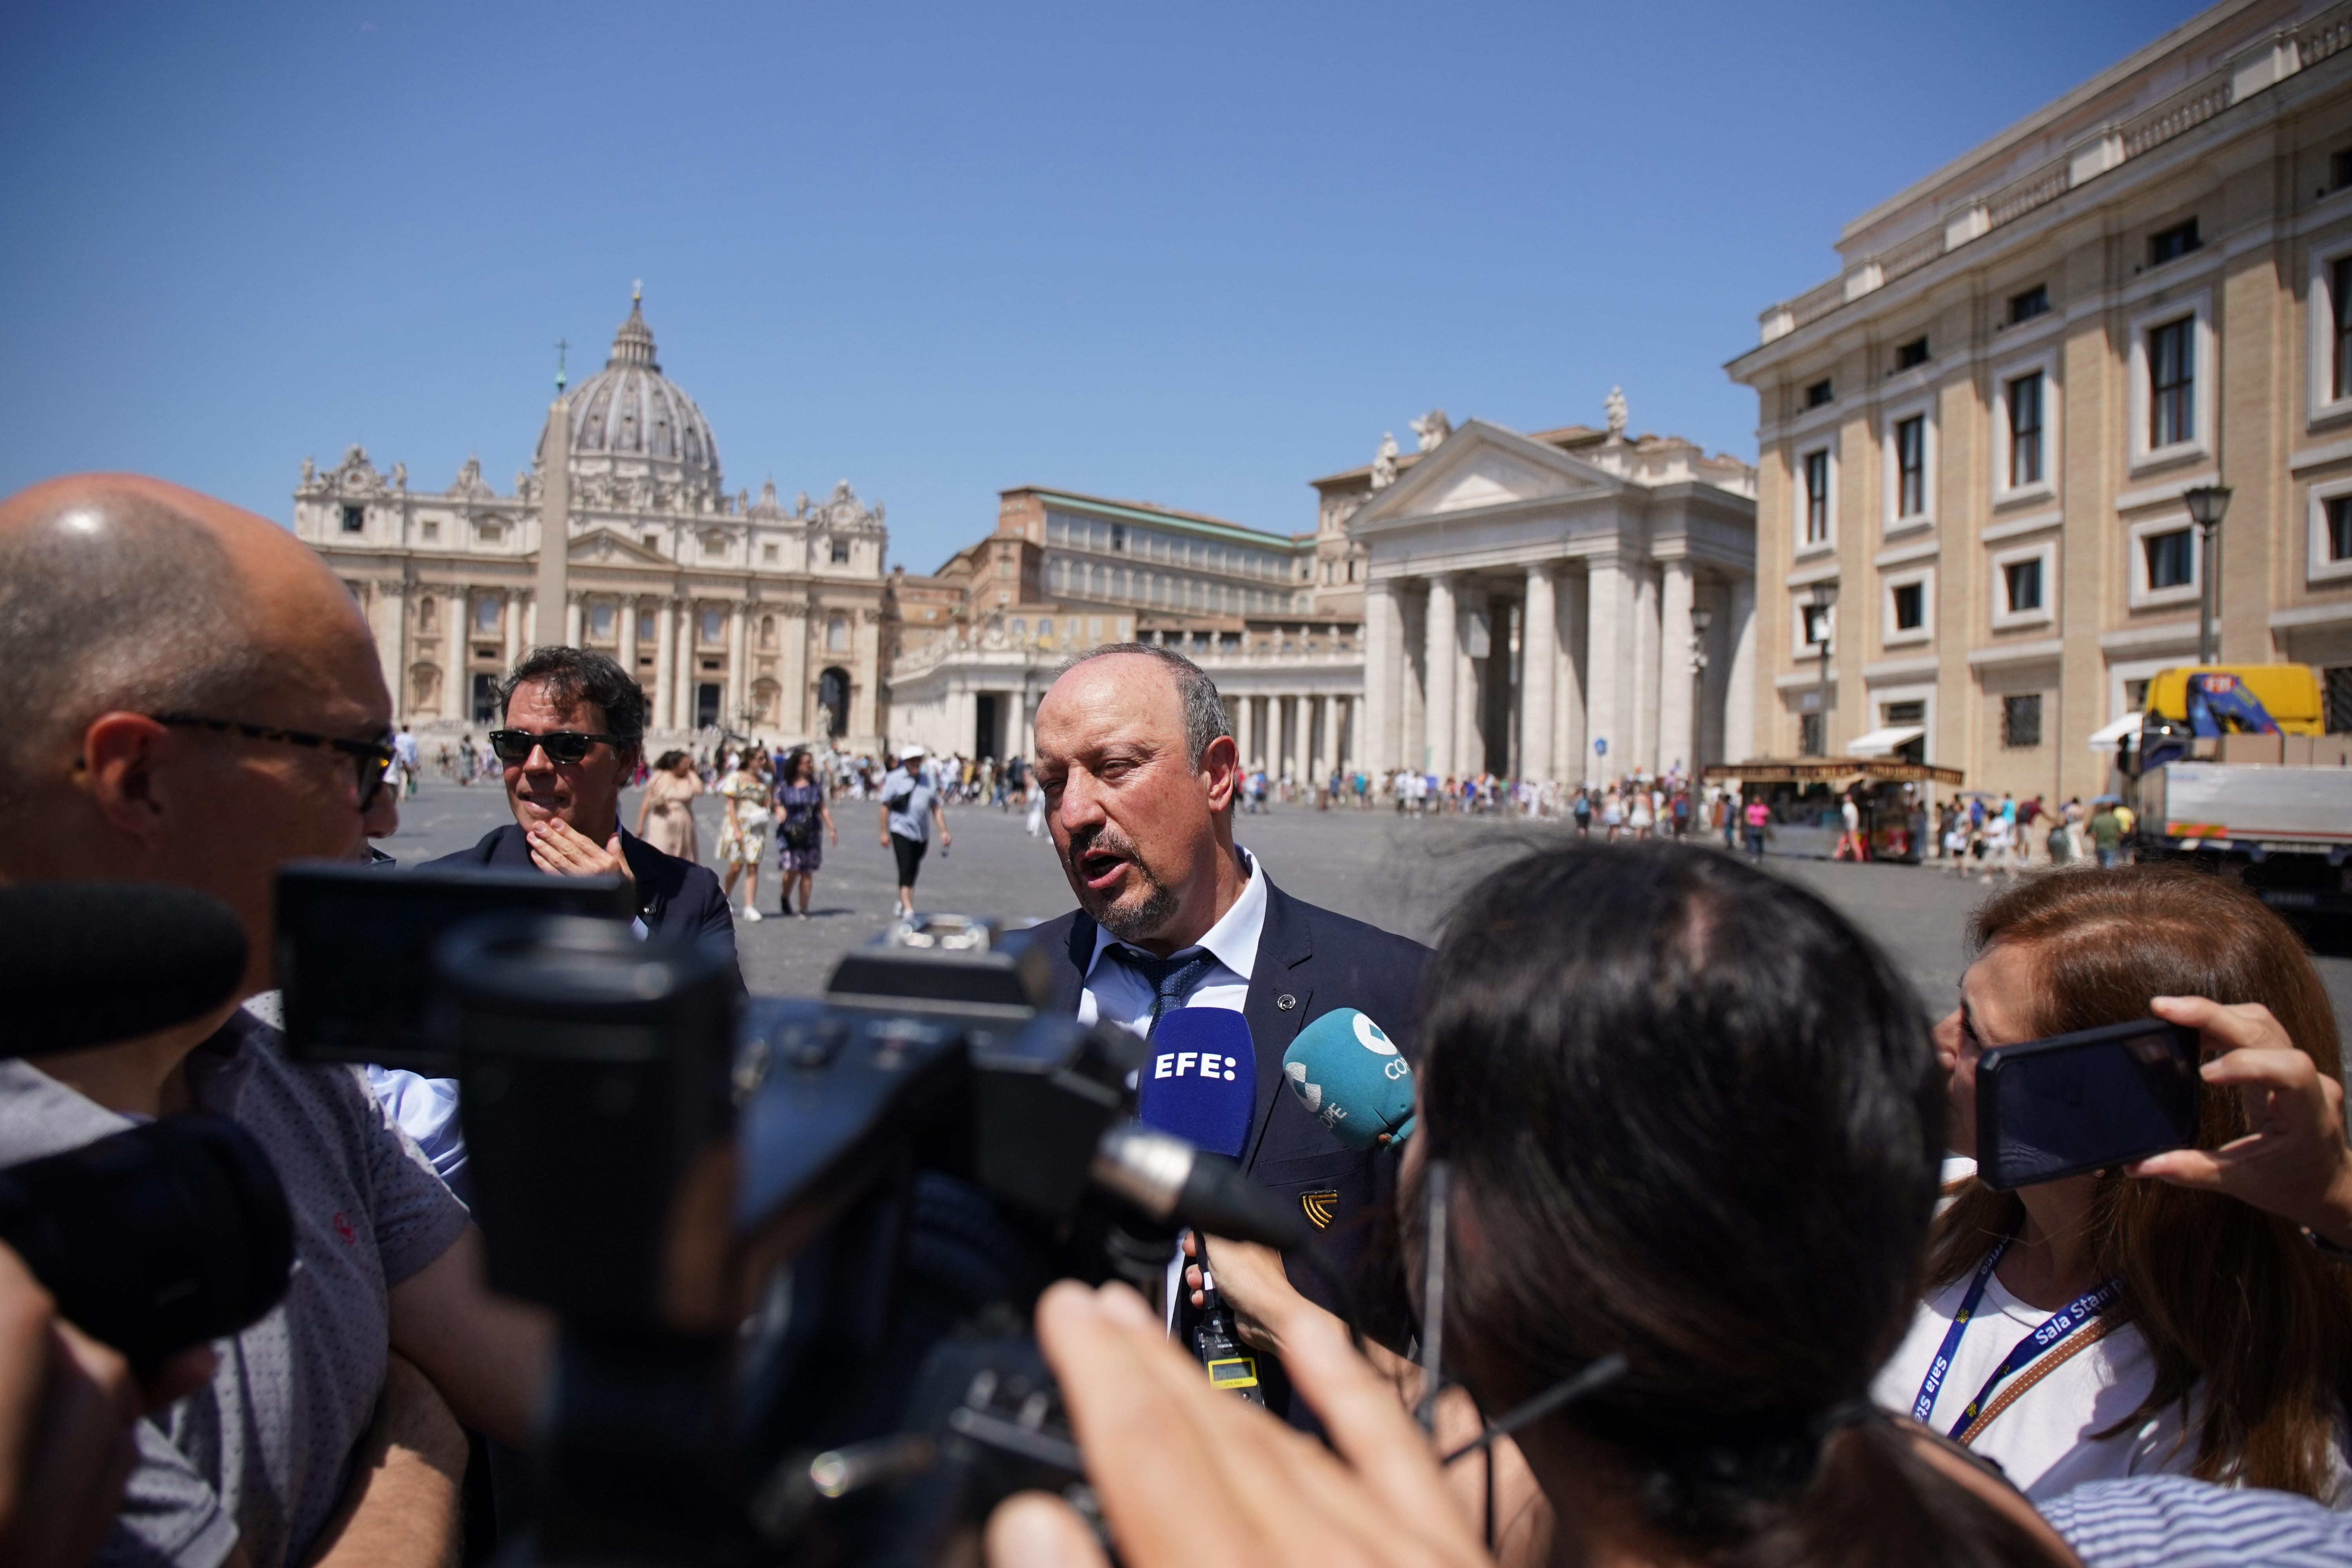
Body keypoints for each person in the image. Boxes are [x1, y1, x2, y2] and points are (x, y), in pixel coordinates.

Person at [1123, 842, 2080, 1568]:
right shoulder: (1967, 1503)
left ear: (1481, 1237)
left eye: (1435, 1106)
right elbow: (1551, 1449)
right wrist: (1291, 1315)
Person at [0, 475, 552, 1568]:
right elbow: (470, 1386)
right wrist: (421, 1429)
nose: (392, 815)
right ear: (137, 776)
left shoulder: (286, 1070)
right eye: (355, 761)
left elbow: (545, 1371)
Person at [1025, 644, 1428, 1426]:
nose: (1073, 813)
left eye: (1113, 768)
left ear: (1217, 773)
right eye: (1052, 783)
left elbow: (1486, 1375)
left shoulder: (1399, 994)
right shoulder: (1007, 988)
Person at [1877, 867, 2352, 1503]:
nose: (1935, 1040)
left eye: (1972, 1031)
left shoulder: (2212, 1435)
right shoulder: (1929, 1202)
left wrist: (2336, 1202)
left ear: (2107, 1100)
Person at [878, 744, 950, 919]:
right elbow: (885, 806)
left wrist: (943, 831)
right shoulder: (894, 779)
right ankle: (909, 909)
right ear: (906, 763)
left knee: (913, 868)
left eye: (918, 760)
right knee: (905, 867)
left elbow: (936, 807)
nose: (916, 764)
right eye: (912, 761)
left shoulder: (929, 780)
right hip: (900, 829)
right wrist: (883, 832)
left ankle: (902, 900)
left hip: (921, 833)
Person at [773, 748, 836, 920]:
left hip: (810, 832)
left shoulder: (814, 787)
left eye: (811, 762)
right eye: (807, 762)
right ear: (798, 765)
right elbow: (776, 803)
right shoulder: (785, 785)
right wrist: (779, 811)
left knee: (807, 870)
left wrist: (832, 828)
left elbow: (822, 808)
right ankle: (785, 896)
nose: (810, 765)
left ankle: (804, 907)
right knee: (792, 869)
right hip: (790, 831)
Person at [715, 748, 773, 923]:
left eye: (765, 759)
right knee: (736, 866)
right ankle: (726, 896)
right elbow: (731, 805)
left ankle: (750, 906)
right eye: (760, 759)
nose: (763, 762)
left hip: (756, 826)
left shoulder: (764, 780)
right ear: (750, 760)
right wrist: (736, 829)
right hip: (738, 824)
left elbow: (767, 801)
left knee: (754, 865)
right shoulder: (736, 777)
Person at [635, 749, 703, 863]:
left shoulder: (689, 777)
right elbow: (647, 801)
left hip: (684, 824)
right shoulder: (660, 776)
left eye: (688, 764)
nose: (686, 766)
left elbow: (700, 791)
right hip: (662, 820)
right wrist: (640, 825)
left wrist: (691, 771)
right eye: (684, 764)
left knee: (683, 861)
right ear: (674, 764)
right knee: (661, 855)